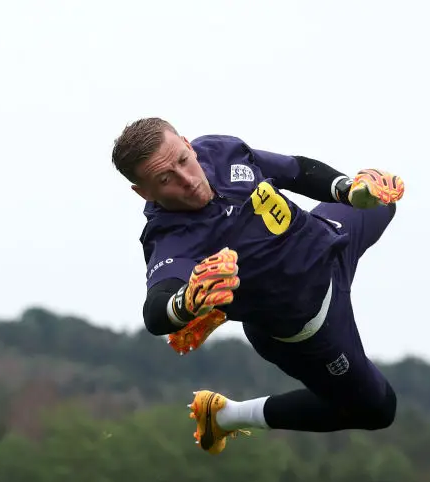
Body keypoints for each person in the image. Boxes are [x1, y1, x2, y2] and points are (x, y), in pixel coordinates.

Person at [111, 117, 405, 454]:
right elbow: (155, 311)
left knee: (381, 198)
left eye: (182, 160)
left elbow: (294, 170)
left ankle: (216, 305)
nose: (188, 180)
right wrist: (184, 303)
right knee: (379, 409)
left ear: (188, 144)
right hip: (312, 327)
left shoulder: (219, 150)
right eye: (166, 179)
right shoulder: (170, 235)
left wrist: (347, 188)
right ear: (144, 192)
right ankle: (224, 416)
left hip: (328, 240)